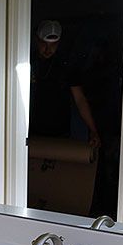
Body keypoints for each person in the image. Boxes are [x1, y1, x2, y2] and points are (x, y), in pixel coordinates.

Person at [29, 19, 101, 148]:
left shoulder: (66, 66)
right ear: (37, 41)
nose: (48, 49)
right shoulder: (28, 62)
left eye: (53, 45)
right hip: (32, 131)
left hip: (61, 132)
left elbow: (80, 99)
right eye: (44, 44)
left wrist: (94, 131)